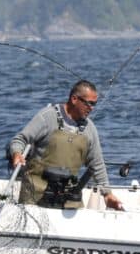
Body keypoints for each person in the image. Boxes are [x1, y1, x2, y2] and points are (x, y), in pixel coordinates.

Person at [8, 79, 124, 211]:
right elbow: (19, 140)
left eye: (94, 104)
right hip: (35, 195)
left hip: (69, 198)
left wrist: (107, 194)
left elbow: (96, 164)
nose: (91, 108)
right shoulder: (47, 117)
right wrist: (17, 154)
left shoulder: (90, 129)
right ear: (74, 99)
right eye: (89, 104)